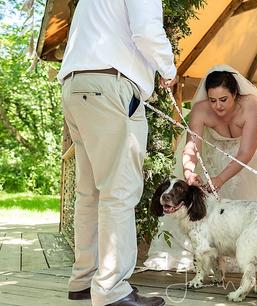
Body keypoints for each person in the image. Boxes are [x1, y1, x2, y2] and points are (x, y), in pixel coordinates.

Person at [57, 0, 176, 305]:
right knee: (119, 190)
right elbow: (146, 31)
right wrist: (168, 68)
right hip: (110, 85)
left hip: (76, 85)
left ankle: (85, 279)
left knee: (90, 192)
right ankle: (111, 289)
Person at [144, 65, 257, 271]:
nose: (217, 106)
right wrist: (189, 172)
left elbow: (245, 152)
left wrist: (219, 180)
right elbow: (192, 146)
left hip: (246, 160)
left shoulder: (251, 106)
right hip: (210, 156)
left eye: (223, 99)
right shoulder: (200, 110)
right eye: (212, 100)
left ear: (235, 94)